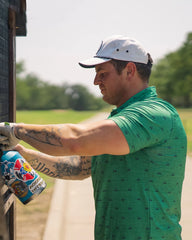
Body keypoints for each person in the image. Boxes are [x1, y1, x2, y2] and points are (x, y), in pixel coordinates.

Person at [0, 35, 187, 240]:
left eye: (102, 73)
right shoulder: (122, 118)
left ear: (130, 71)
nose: (95, 81)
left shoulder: (153, 115)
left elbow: (76, 140)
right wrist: (25, 156)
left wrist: (15, 130)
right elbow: (80, 167)